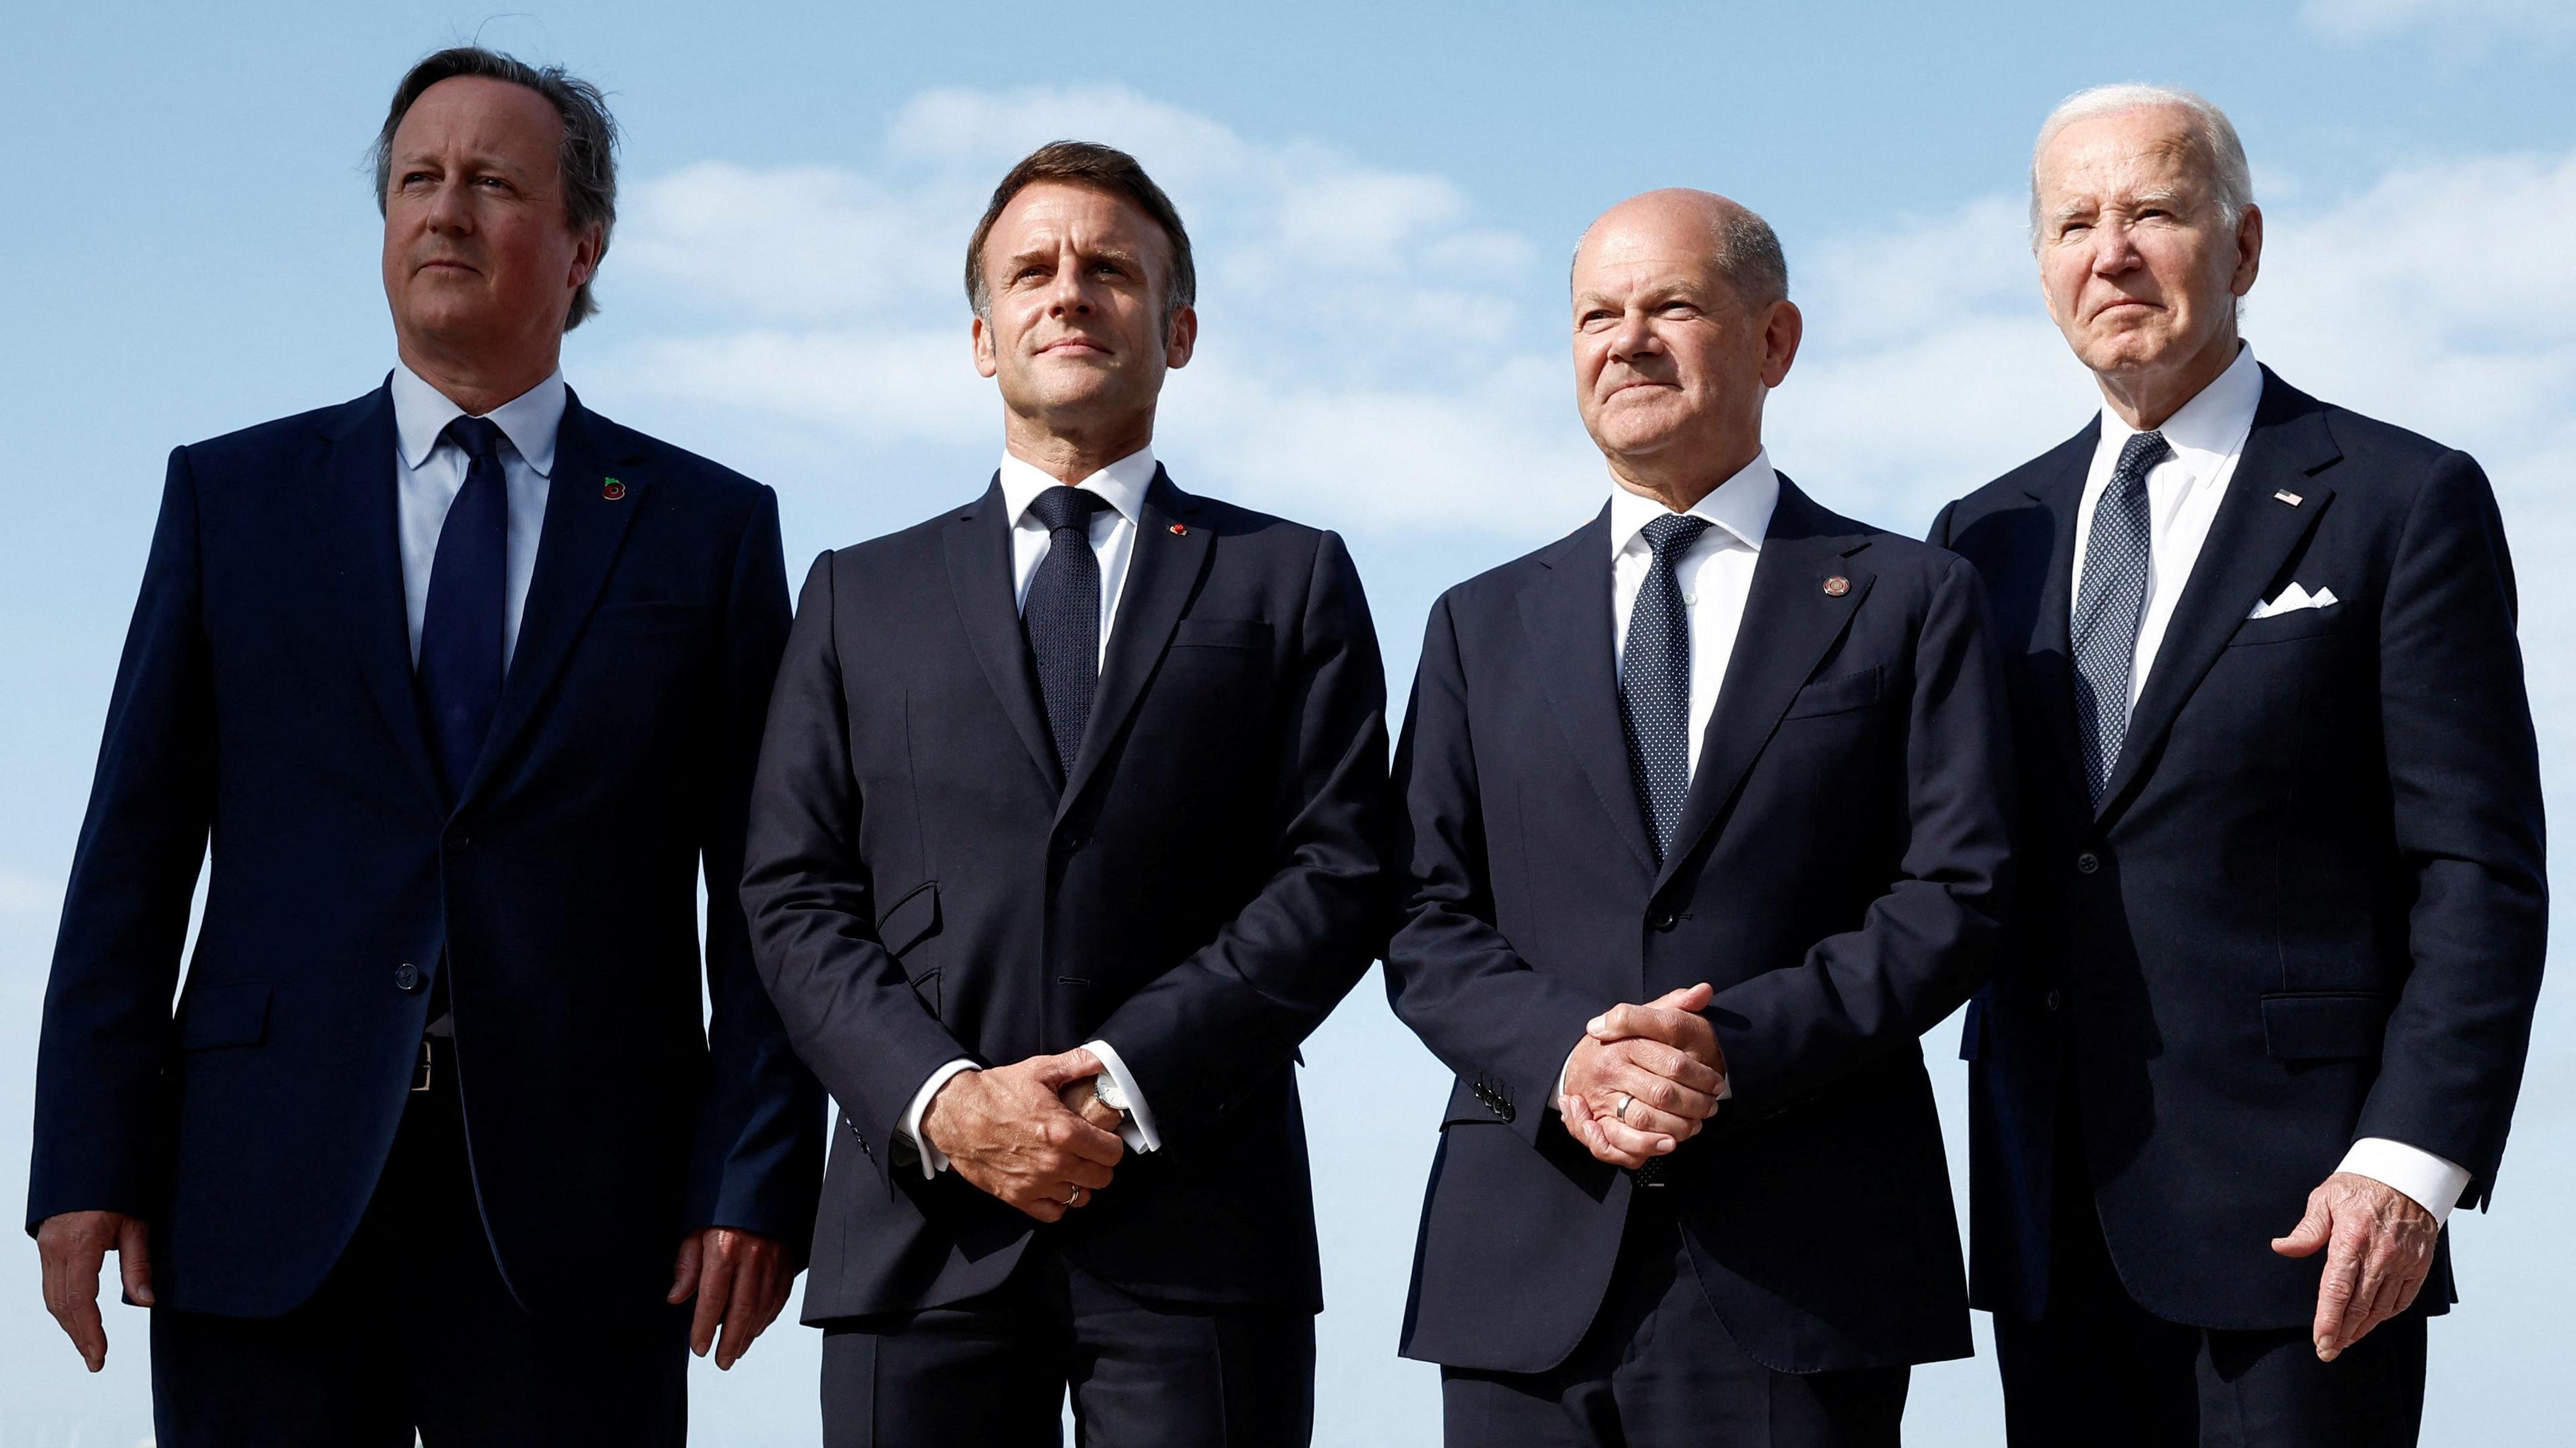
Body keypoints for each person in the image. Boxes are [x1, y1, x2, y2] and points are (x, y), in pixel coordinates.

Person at [26, 46, 823, 1445]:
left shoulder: (706, 532)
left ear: (582, 246)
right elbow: (132, 857)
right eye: (416, 180)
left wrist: (753, 1174)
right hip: (260, 1198)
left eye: (493, 183)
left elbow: (765, 901)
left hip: (586, 1218)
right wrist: (84, 1158)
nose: (444, 211)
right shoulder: (234, 500)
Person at [740, 140, 1391, 1447]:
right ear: (984, 337)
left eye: (1110, 269)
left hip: (1201, 1230)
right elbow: (795, 893)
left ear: (1180, 327)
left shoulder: (1290, 580)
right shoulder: (857, 596)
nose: (1069, 292)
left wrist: (1125, 1080)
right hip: (918, 1230)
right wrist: (945, 1100)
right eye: (1031, 271)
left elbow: (1341, 871)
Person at [1930, 83, 2547, 1447]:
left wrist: (2407, 1167)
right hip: (2053, 1215)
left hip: (2313, 1228)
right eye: (2076, 222)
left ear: (2245, 247)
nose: (2114, 251)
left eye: (2155, 209)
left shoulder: (2400, 498)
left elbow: (2478, 868)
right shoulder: (1984, 537)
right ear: (2041, 270)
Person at [1383, 188, 2011, 1447]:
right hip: (1527, 1252)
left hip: (1804, 1257)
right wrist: (1574, 1054)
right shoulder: (1477, 622)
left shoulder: (1911, 596)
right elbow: (1419, 914)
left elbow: (1960, 889)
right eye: (1596, 316)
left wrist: (1727, 1052)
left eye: (1672, 305)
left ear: (1775, 342)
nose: (1628, 341)